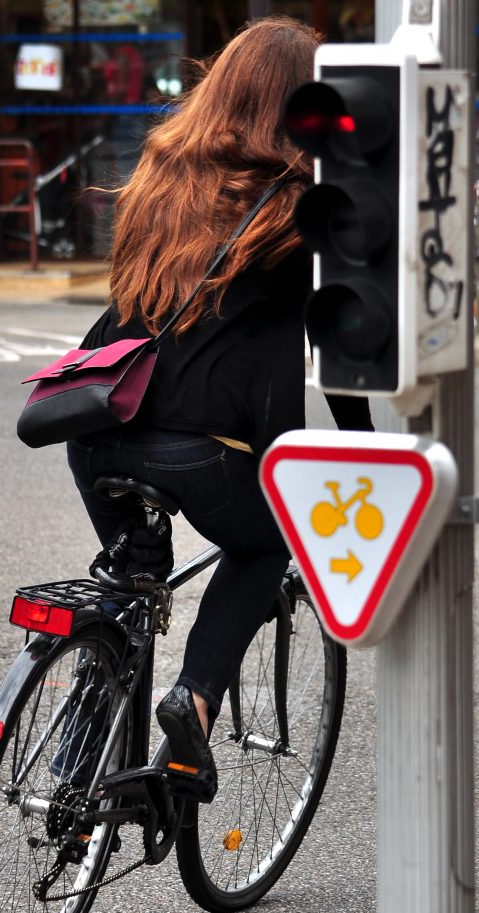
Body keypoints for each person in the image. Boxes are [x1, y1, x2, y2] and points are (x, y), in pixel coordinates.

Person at [67, 15, 372, 799]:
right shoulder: (302, 203)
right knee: (266, 547)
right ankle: (192, 706)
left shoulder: (158, 175)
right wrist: (362, 446)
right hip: (199, 447)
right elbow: (340, 352)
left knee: (132, 581)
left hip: (95, 428)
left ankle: (73, 773)